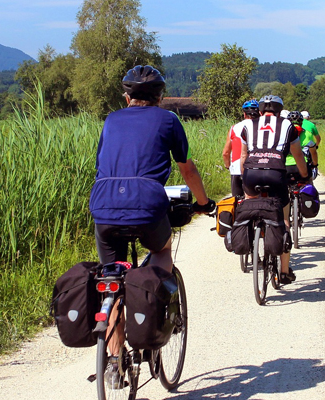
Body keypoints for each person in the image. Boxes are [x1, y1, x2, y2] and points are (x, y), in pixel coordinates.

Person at [89, 65, 215, 386]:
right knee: (161, 250)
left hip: (103, 205)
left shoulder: (111, 120)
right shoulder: (169, 120)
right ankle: (155, 318)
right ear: (160, 97)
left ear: (127, 96)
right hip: (147, 204)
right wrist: (203, 203)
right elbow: (187, 170)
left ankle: (114, 363)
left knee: (112, 277)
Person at [239, 95, 308, 284]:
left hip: (251, 175)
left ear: (260, 111)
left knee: (250, 207)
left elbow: (243, 156)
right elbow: (298, 155)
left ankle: (253, 239)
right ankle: (284, 271)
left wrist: (244, 178)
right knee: (284, 219)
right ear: (279, 112)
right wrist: (304, 174)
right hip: (276, 175)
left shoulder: (249, 125)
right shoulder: (288, 127)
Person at [222, 99, 259, 198]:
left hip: (237, 169)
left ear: (244, 114)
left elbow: (225, 152)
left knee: (236, 200)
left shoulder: (234, 128)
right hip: (257, 169)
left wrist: (228, 166)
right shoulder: (262, 128)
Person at [285, 110, 318, 184]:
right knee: (307, 183)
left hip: (285, 166)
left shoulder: (283, 132)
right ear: (302, 122)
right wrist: (315, 164)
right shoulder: (307, 134)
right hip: (302, 166)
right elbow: (313, 152)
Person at [300, 111, 320, 179]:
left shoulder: (292, 125)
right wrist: (316, 146)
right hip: (308, 146)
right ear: (308, 117)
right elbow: (318, 138)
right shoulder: (311, 124)